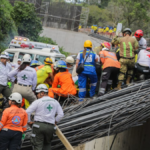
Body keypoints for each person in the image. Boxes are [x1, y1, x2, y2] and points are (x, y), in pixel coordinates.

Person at [26, 84, 64, 150]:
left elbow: (27, 112)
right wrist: (54, 122)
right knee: (47, 145)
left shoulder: (37, 102)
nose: (37, 96)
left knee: (37, 146)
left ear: (42, 93)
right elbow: (61, 114)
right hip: (50, 127)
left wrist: (29, 122)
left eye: (37, 94)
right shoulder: (55, 101)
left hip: (38, 126)